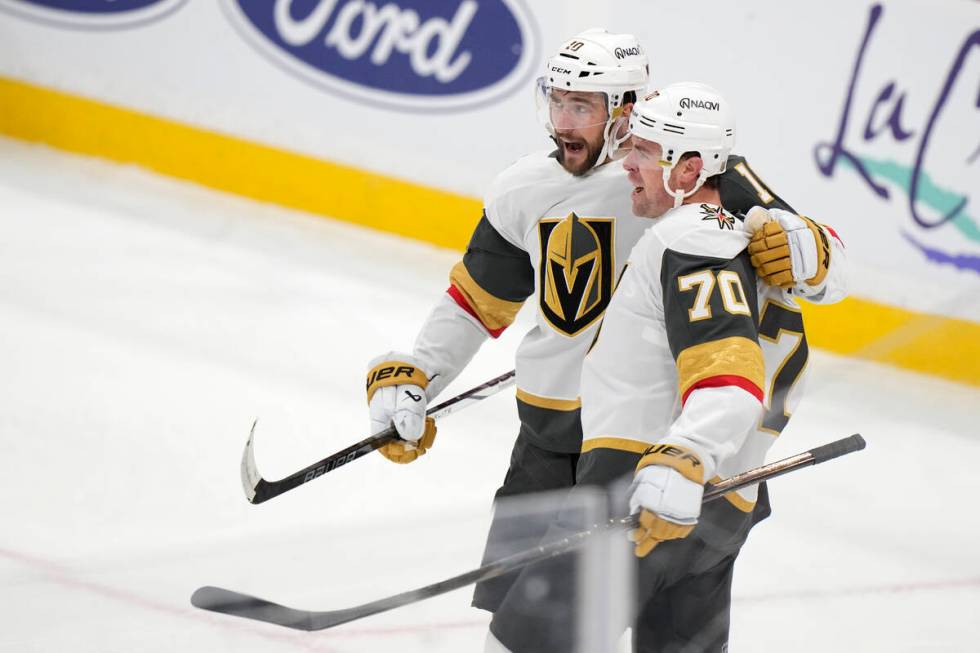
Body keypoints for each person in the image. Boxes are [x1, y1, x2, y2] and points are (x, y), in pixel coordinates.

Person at [363, 29, 847, 616]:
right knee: (515, 625)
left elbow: (809, 265)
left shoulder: (691, 179)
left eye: (582, 106)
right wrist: (419, 368)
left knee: (611, 625)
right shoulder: (525, 189)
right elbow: (477, 300)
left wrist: (813, 250)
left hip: (641, 448)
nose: (562, 122)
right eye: (557, 101)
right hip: (547, 443)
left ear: (626, 113)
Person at [489, 82, 843, 652]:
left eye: (646, 153)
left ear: (689, 169)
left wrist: (687, 455)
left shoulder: (691, 238)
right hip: (721, 512)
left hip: (644, 489)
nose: (627, 162)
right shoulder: (753, 242)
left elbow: (729, 370)